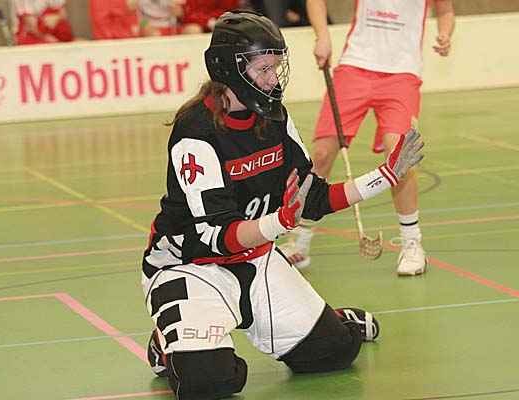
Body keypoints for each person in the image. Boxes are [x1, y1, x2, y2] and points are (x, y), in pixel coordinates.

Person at [141, 10, 424, 400]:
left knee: (336, 352)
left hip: (256, 257)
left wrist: (384, 176)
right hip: (192, 266)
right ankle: (167, 342)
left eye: (276, 68)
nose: (274, 79)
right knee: (208, 382)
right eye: (264, 69)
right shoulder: (196, 131)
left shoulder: (273, 117)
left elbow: (313, 197)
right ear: (228, 68)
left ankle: (331, 321)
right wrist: (281, 221)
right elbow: (218, 235)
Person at [282, 0, 455, 276]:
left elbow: (445, 11)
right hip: (354, 67)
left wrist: (445, 34)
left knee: (400, 156)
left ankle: (412, 243)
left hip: (402, 74)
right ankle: (300, 242)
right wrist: (322, 35)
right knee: (322, 155)